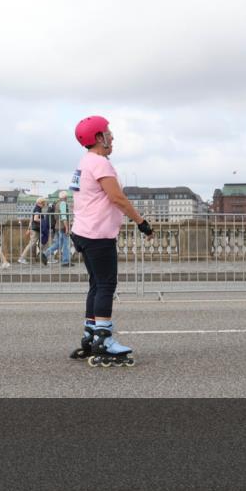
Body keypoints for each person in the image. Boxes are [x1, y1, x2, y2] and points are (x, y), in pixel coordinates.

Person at [68, 115, 153, 367]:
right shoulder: (100, 164)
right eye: (108, 132)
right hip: (97, 234)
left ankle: (90, 334)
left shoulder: (83, 163)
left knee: (96, 285)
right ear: (98, 138)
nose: (112, 136)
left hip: (82, 232)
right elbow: (118, 198)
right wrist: (142, 223)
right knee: (105, 285)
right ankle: (103, 340)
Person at [44, 190, 72, 266]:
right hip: (62, 226)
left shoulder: (57, 203)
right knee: (66, 244)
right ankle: (65, 261)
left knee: (58, 244)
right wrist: (67, 228)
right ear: (65, 197)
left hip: (57, 226)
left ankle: (45, 254)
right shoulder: (63, 203)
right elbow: (63, 216)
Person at [18, 198, 48, 264]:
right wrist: (43, 221)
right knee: (32, 244)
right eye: (44, 203)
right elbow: (35, 219)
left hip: (34, 229)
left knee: (34, 243)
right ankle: (22, 258)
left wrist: (29, 229)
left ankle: (43, 256)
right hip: (36, 229)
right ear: (41, 203)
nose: (44, 204)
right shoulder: (38, 209)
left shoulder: (36, 208)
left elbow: (31, 219)